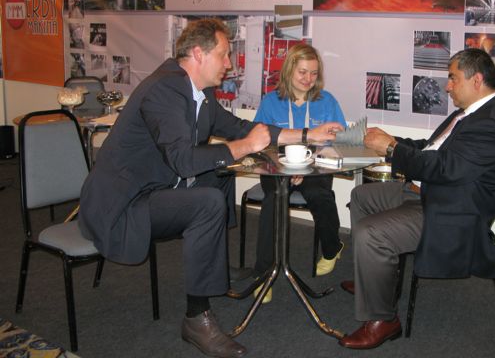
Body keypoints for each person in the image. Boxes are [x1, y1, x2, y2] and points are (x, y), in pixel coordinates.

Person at [78, 18, 343, 358]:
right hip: (122, 204)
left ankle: (215, 266)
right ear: (198, 54)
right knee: (207, 201)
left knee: (219, 174)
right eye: (224, 54)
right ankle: (196, 319)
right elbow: (183, 161)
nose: (229, 63)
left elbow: (242, 127)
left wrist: (308, 135)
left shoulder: (199, 92)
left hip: (156, 188)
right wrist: (243, 147)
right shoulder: (164, 90)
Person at [338, 48, 495, 350]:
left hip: (454, 212)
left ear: (476, 80)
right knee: (361, 196)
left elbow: (444, 168)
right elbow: (430, 148)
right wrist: (390, 140)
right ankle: (374, 281)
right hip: (432, 193)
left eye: (453, 78)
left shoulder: (492, 124)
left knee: (372, 233)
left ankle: (383, 319)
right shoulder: (471, 113)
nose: (447, 86)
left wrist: (392, 149)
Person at [251, 43, 347, 303]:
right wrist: (285, 166)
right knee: (274, 200)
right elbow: (259, 142)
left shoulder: (327, 101)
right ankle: (264, 274)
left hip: (314, 167)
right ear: (289, 70)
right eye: (302, 72)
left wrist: (307, 166)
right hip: (277, 167)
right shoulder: (271, 102)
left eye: (314, 73)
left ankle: (332, 247)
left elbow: (339, 140)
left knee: (319, 194)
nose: (308, 79)